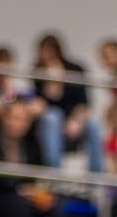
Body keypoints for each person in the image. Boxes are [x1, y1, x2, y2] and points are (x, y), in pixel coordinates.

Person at [32, 32, 103, 173]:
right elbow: (44, 102)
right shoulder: (38, 72)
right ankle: (54, 172)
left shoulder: (75, 69)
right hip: (53, 121)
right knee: (52, 117)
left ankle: (96, 174)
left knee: (93, 124)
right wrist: (52, 82)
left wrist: (75, 121)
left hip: (75, 119)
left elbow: (84, 102)